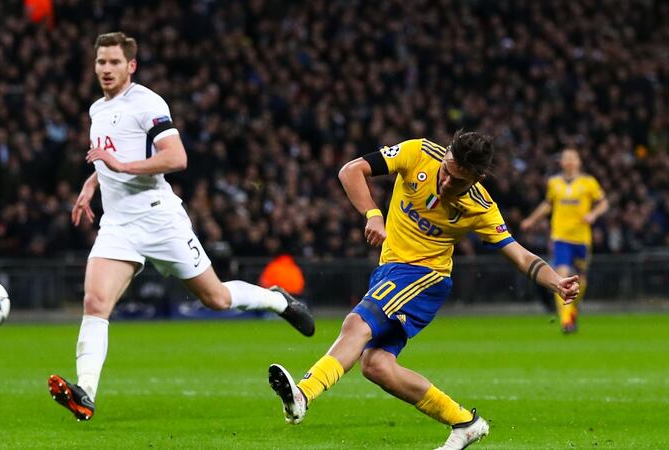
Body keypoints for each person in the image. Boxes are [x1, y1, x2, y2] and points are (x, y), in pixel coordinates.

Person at [48, 32, 315, 421]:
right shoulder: (97, 110)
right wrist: (92, 184)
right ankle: (85, 392)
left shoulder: (147, 103)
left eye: (115, 62)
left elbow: (176, 157)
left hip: (158, 218)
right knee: (95, 302)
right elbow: (109, 157)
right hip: (118, 224)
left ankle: (278, 300)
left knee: (216, 298)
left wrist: (121, 166)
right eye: (101, 62)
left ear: (131, 66)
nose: (106, 69)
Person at [267, 132, 579, 450]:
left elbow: (520, 255)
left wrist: (556, 281)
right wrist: (373, 215)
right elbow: (351, 170)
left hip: (425, 276)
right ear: (446, 154)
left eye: (458, 181)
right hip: (389, 270)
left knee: (357, 323)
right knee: (376, 365)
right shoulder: (419, 153)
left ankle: (303, 394)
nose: (446, 183)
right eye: (446, 171)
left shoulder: (480, 207)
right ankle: (465, 423)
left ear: (477, 179)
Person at [520, 148, 608, 333]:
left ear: (579, 161)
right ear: (561, 162)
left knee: (581, 280)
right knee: (562, 276)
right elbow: (548, 204)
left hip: (582, 239)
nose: (568, 161)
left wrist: (593, 214)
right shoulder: (554, 183)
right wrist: (531, 220)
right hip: (560, 237)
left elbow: (604, 203)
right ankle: (566, 321)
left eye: (572, 158)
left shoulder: (588, 182)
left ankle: (572, 309)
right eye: (565, 158)